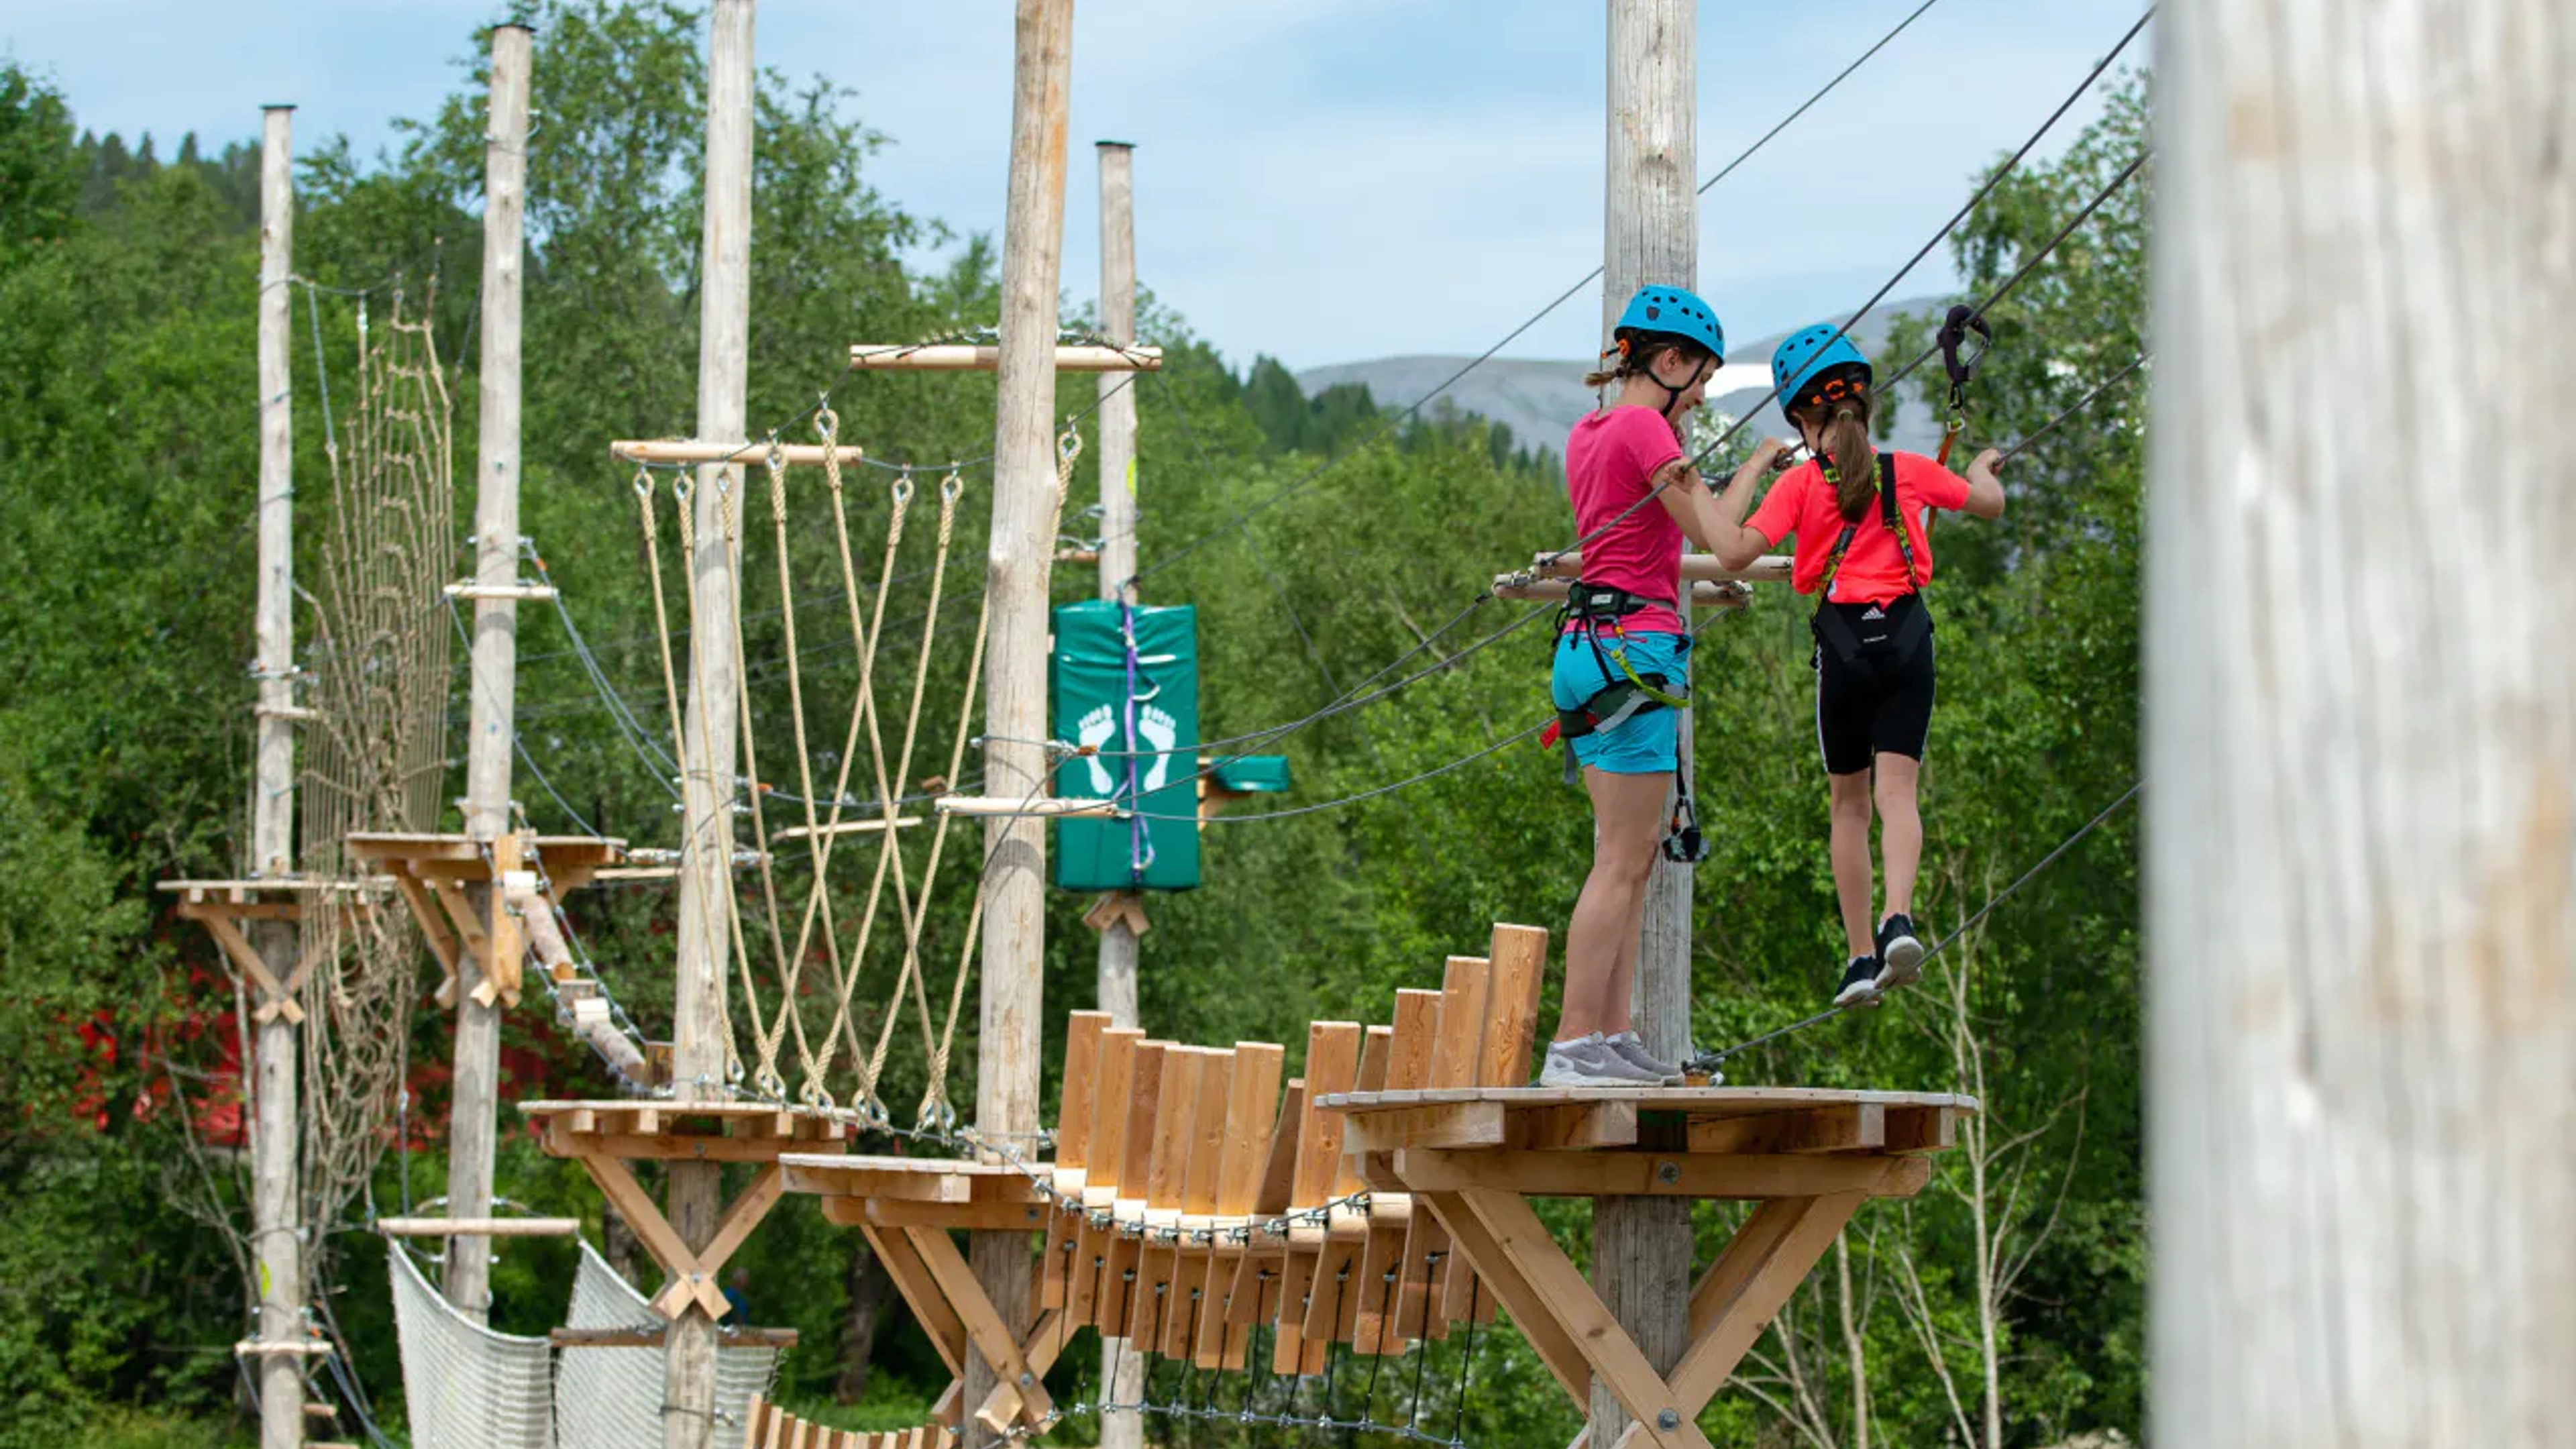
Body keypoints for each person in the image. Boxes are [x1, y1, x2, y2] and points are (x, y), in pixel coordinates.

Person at [1699, 323, 2006, 1008]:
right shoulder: (1911, 473)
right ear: (1864, 404)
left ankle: (1860, 957)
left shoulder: (1803, 486)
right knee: (1900, 794)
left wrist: (1751, 466)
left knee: (1849, 805)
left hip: (1843, 654)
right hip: (1906, 644)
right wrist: (1980, 469)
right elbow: (1989, 503)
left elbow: (1730, 550)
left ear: (1802, 417)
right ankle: (1900, 916)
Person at [1537, 284, 1735, 1089]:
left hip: (1588, 647)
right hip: (1636, 649)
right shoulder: (1648, 429)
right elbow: (1723, 542)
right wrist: (1758, 468)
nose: (1697, 402)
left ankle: (1609, 1036)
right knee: (1621, 859)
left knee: (1634, 856)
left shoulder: (1590, 430)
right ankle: (1575, 1041)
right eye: (1699, 384)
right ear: (1671, 360)